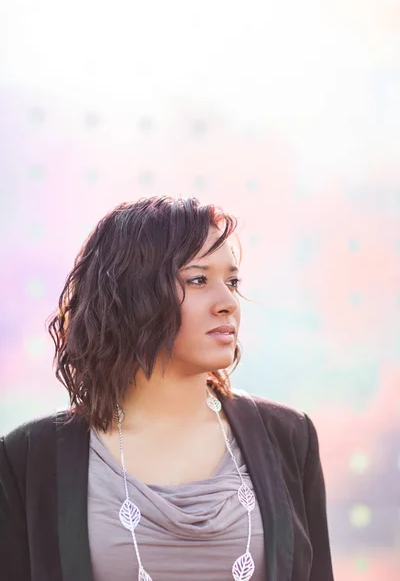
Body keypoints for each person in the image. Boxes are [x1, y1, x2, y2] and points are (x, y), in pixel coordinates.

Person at [0, 195, 334, 581]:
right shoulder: (29, 458)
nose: (228, 302)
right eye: (198, 280)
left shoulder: (289, 436)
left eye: (232, 281)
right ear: (133, 295)